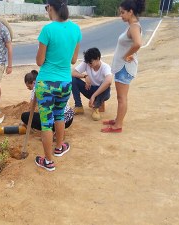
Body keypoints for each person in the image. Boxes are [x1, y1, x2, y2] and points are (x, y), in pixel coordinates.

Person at [34, 0, 81, 171]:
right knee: (59, 115)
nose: (47, 11)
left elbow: (39, 61)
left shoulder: (47, 30)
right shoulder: (76, 29)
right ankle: (59, 147)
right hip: (65, 82)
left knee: (46, 123)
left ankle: (48, 161)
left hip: (46, 82)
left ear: (51, 8)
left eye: (47, 8)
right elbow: (74, 60)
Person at [101, 0, 145, 133]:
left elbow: (138, 44)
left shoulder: (134, 27)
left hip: (125, 68)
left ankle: (117, 126)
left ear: (130, 12)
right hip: (123, 67)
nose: (121, 15)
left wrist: (127, 55)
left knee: (122, 98)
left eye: (122, 12)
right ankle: (117, 120)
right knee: (121, 97)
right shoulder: (132, 25)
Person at [71, 47, 112, 121]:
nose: (89, 65)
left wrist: (94, 96)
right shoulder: (87, 63)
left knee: (107, 86)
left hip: (101, 93)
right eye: (87, 63)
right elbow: (73, 73)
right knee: (73, 80)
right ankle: (78, 106)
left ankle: (96, 107)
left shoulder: (105, 67)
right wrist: (85, 76)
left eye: (91, 63)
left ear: (98, 58)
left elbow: (109, 81)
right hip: (90, 89)